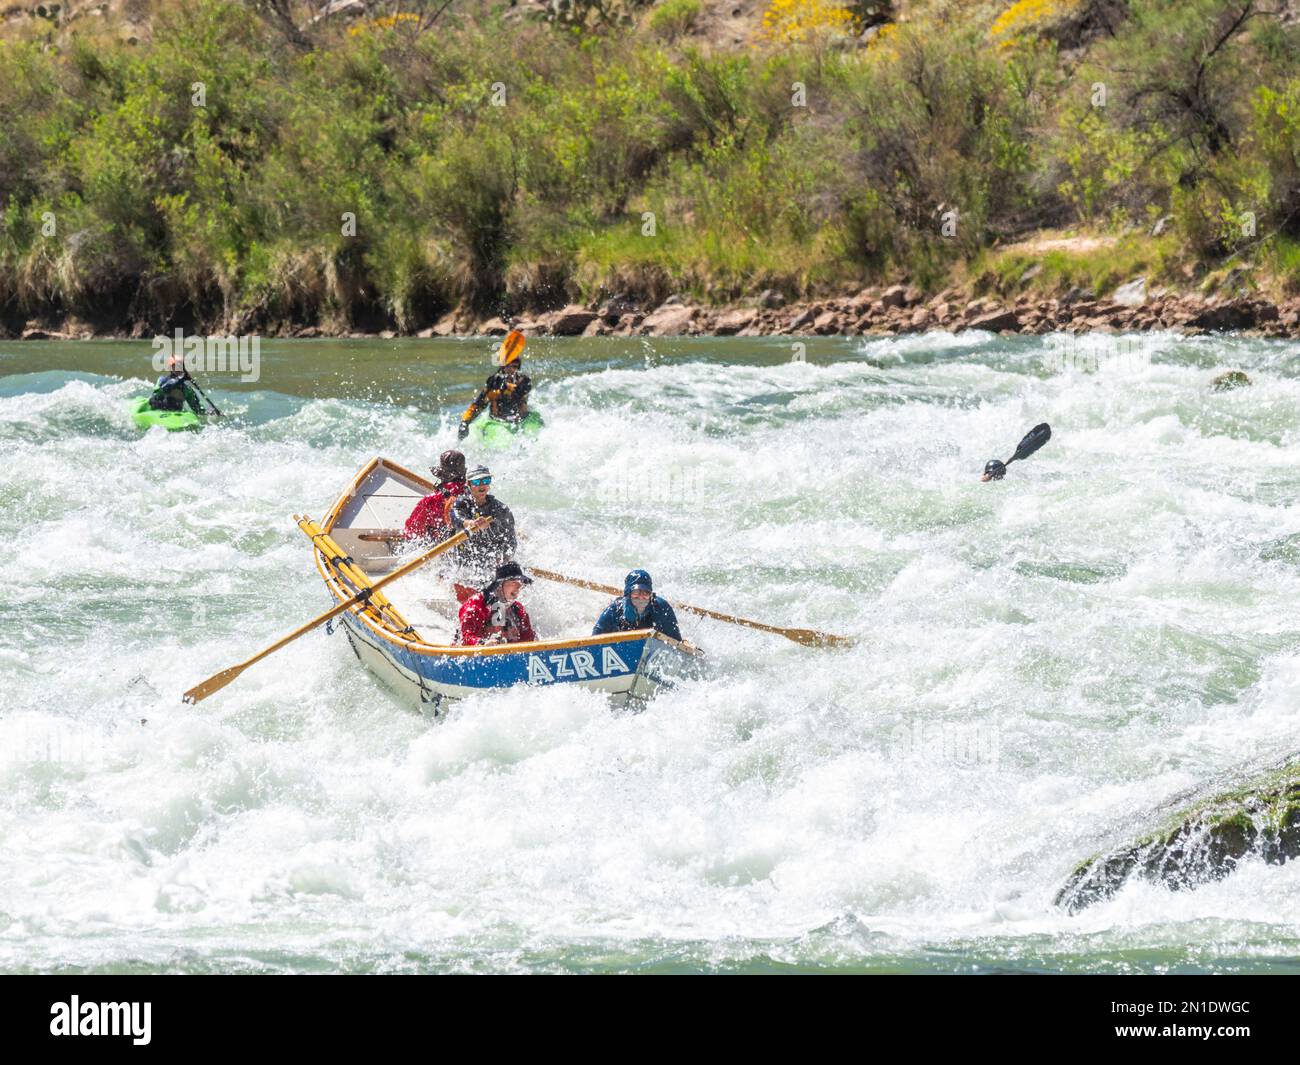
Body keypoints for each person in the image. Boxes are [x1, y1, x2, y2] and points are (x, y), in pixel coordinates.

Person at [448, 465, 517, 581]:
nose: (482, 486)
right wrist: (470, 523)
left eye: (486, 481)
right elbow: (456, 518)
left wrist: (504, 560)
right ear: (469, 484)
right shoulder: (461, 503)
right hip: (464, 557)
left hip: (490, 560)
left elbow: (511, 540)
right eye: (477, 482)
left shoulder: (501, 509)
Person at [458, 335, 531, 439]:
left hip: (521, 421)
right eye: (508, 366)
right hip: (497, 422)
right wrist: (465, 422)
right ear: (502, 366)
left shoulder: (524, 382)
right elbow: (479, 404)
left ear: (518, 368)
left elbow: (519, 397)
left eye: (514, 366)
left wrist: (510, 388)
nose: (511, 369)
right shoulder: (493, 382)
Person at [456, 562, 537, 646]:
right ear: (499, 585)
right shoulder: (475, 606)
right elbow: (466, 639)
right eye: (514, 582)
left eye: (521, 582)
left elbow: (528, 639)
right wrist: (483, 644)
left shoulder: (518, 609)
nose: (519, 586)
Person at [592, 569, 683, 642]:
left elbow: (676, 642)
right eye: (636, 592)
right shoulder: (614, 609)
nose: (641, 597)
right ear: (628, 593)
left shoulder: (661, 608)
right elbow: (594, 640)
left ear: (651, 595)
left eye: (646, 593)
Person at [405, 450, 468, 542]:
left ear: (441, 475)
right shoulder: (472, 493)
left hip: (442, 546)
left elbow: (412, 530)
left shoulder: (431, 500)